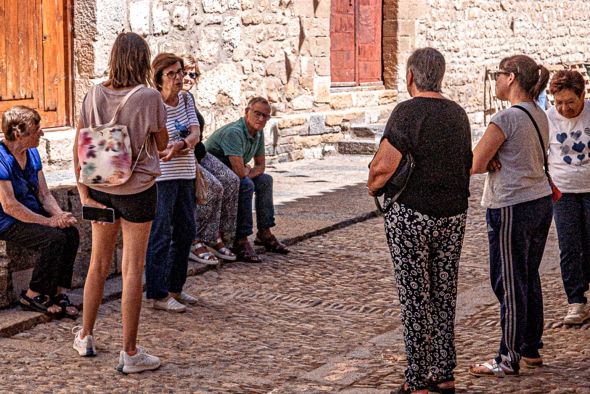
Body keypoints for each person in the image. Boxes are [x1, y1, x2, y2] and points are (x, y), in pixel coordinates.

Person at [367, 48, 472, 394]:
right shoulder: (458, 114)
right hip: (452, 214)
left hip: (412, 215)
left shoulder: (407, 112)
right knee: (444, 293)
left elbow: (382, 168)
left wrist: (373, 184)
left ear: (410, 76)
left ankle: (417, 379)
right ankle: (443, 372)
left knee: (415, 297)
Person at [73, 32, 168, 373]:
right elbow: (162, 139)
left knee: (97, 264)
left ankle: (85, 335)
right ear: (143, 60)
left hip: (100, 185)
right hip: (137, 189)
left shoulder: (93, 93)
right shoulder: (149, 96)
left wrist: (84, 192)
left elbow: (81, 144)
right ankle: (129, 352)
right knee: (131, 270)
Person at [469, 55, 552, 377]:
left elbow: (474, 162)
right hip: (539, 200)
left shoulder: (505, 119)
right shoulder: (538, 113)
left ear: (512, 77)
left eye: (499, 75)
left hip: (511, 205)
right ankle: (530, 347)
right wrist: (492, 159)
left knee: (508, 281)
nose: (496, 80)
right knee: (528, 276)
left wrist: (486, 160)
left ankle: (508, 356)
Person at [0, 106, 79, 319]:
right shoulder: (1, 158)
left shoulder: (32, 153)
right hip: (8, 221)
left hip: (32, 213)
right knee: (53, 239)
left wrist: (60, 215)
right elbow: (10, 206)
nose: (42, 133)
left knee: (70, 233)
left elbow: (44, 194)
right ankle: (33, 294)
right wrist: (49, 223)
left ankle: (57, 292)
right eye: (36, 129)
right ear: (18, 133)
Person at [145, 53, 201, 313]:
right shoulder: (153, 102)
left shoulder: (187, 99)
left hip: (186, 172)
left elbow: (195, 132)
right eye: (172, 74)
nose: (180, 78)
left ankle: (175, 288)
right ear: (158, 79)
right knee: (160, 233)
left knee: (186, 230)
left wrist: (182, 144)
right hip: (163, 177)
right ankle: (157, 293)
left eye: (180, 72)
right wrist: (177, 146)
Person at [205, 97, 289, 263]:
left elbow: (260, 167)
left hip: (233, 174)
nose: (261, 119)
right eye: (257, 114)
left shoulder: (258, 133)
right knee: (246, 185)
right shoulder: (235, 132)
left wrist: (247, 171)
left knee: (265, 180)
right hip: (215, 175)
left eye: (265, 116)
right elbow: (240, 174)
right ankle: (241, 239)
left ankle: (264, 232)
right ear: (246, 112)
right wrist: (246, 171)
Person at [181, 54, 238, 264]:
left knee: (232, 181)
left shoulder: (189, 98)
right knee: (212, 187)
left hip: (200, 152)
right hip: (186, 156)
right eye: (184, 72)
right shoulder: (170, 99)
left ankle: (219, 235)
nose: (188, 78)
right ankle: (195, 240)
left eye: (192, 74)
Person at [546, 70, 590, 325]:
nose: (564, 108)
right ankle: (576, 300)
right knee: (569, 245)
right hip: (562, 191)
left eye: (570, 102)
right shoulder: (548, 118)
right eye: (559, 102)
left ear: (582, 95)